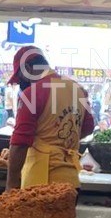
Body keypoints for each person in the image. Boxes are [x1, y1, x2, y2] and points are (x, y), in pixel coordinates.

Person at [6, 45, 95, 191]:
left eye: (21, 77)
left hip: (40, 183)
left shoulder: (32, 93)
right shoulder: (79, 90)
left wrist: (11, 185)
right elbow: (87, 128)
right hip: (71, 181)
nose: (22, 84)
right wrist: (61, 140)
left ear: (28, 68)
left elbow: (19, 144)